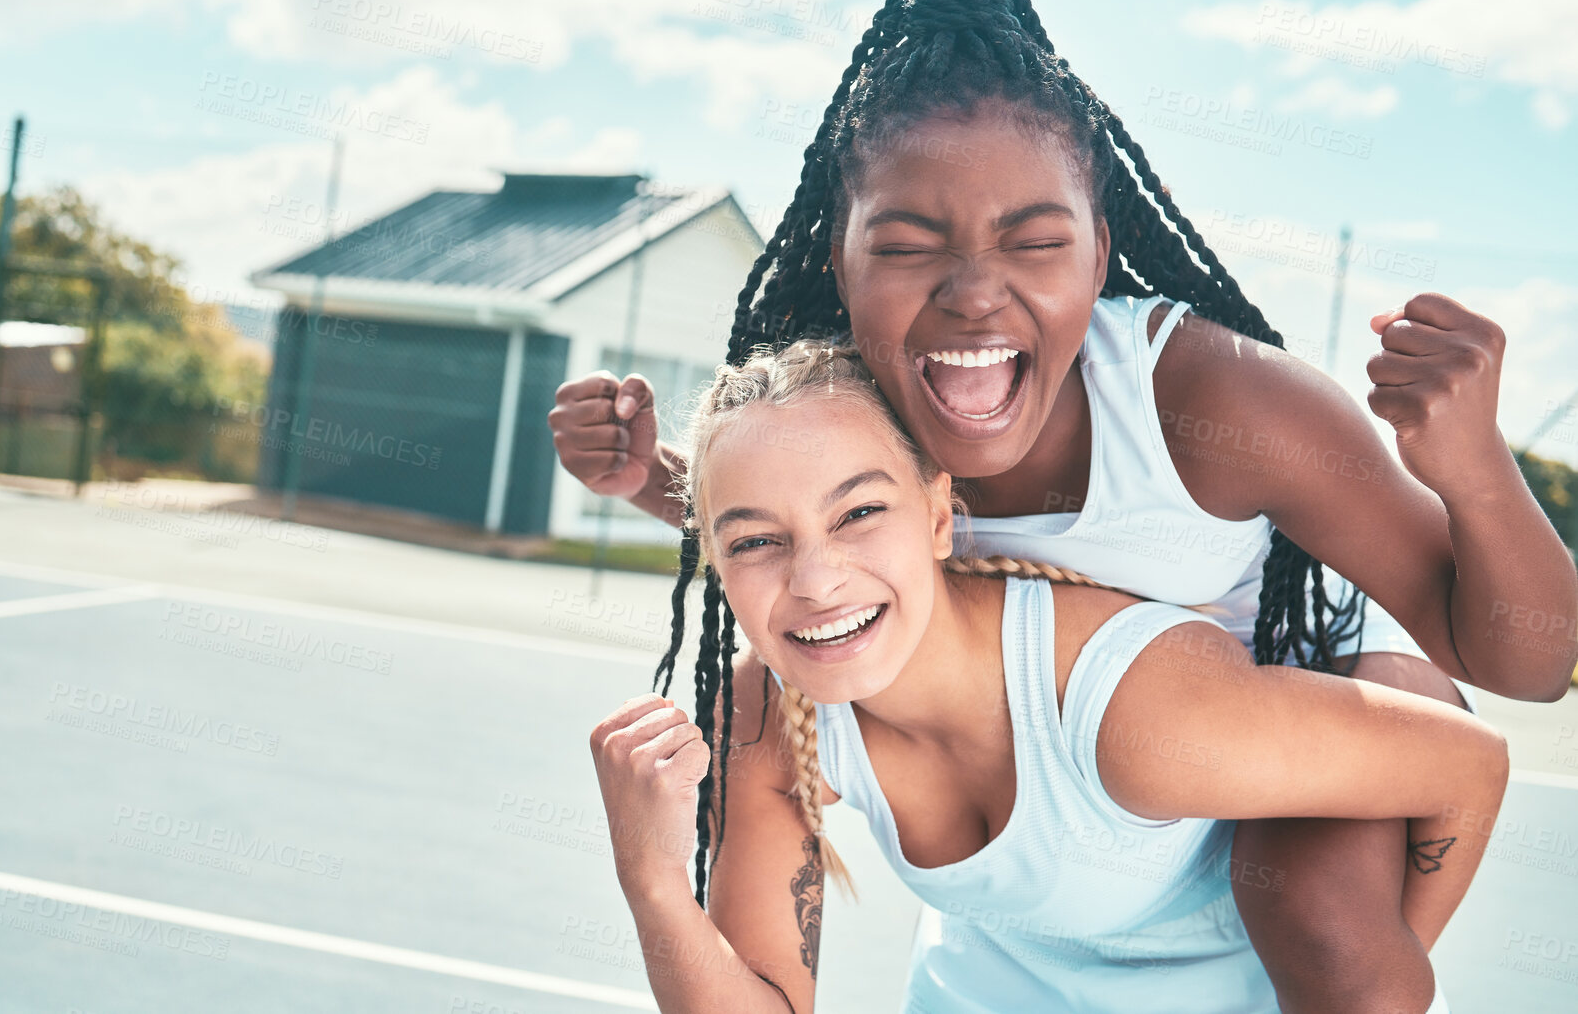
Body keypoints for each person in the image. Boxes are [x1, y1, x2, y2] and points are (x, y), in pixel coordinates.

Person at [554, 0, 1577, 1011]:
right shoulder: (865, 396)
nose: (974, 294)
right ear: (842, 258)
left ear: (1101, 254)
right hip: (1071, 756)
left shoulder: (1210, 402)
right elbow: (821, 527)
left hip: (1302, 657)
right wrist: (659, 482)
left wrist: (1474, 472)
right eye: (906, 246)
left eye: (1036, 240)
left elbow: (1529, 662)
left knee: (1315, 915)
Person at [589, 340, 1507, 1014]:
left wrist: (1383, 963)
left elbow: (1468, 766)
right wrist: (653, 874)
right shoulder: (759, 712)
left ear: (941, 518)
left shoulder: (1130, 704)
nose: (814, 580)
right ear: (712, 558)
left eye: (859, 512)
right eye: (754, 540)